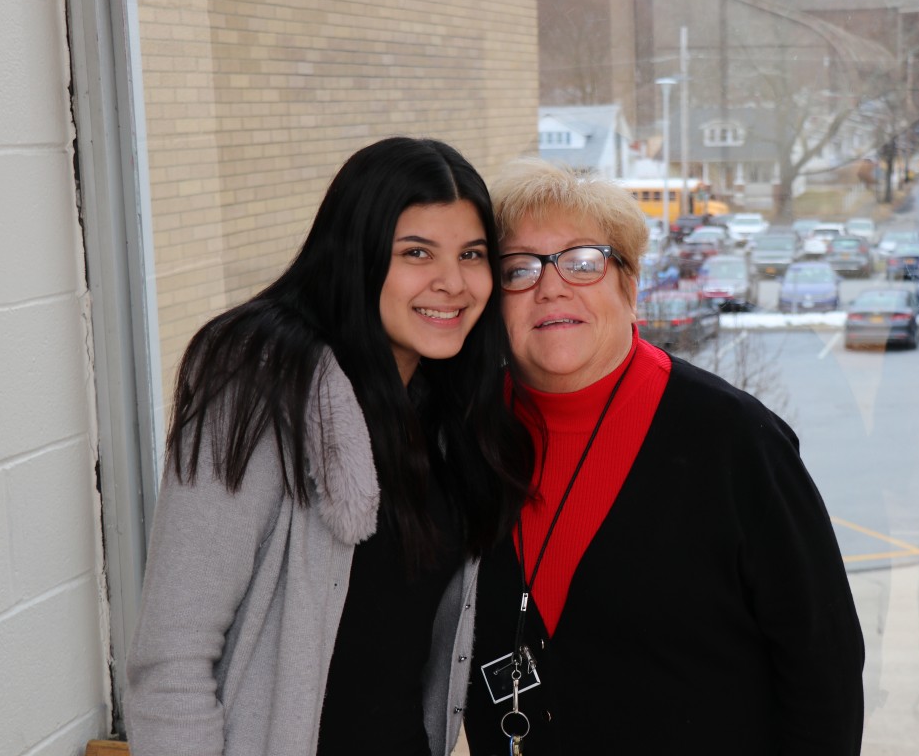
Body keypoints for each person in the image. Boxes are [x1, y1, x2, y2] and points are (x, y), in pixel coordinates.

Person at [125, 137, 531, 756]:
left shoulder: (452, 407)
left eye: (471, 254)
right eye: (417, 252)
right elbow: (171, 663)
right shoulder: (263, 381)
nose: (452, 282)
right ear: (358, 255)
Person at [463, 158, 866, 755]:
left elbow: (822, 667)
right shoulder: (463, 441)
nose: (550, 286)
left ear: (629, 286)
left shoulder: (734, 439)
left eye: (582, 261)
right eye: (518, 269)